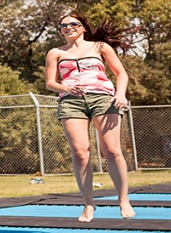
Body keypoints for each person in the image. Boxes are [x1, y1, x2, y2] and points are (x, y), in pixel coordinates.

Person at [44, 12, 135, 222]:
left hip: (103, 98)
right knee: (80, 153)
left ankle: (123, 200)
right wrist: (64, 87)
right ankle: (88, 203)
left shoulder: (100, 47)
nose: (68, 27)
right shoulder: (55, 52)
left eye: (73, 24)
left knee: (111, 150)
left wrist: (120, 94)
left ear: (83, 27)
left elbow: (121, 74)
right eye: (63, 25)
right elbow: (50, 82)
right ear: (60, 31)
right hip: (71, 101)